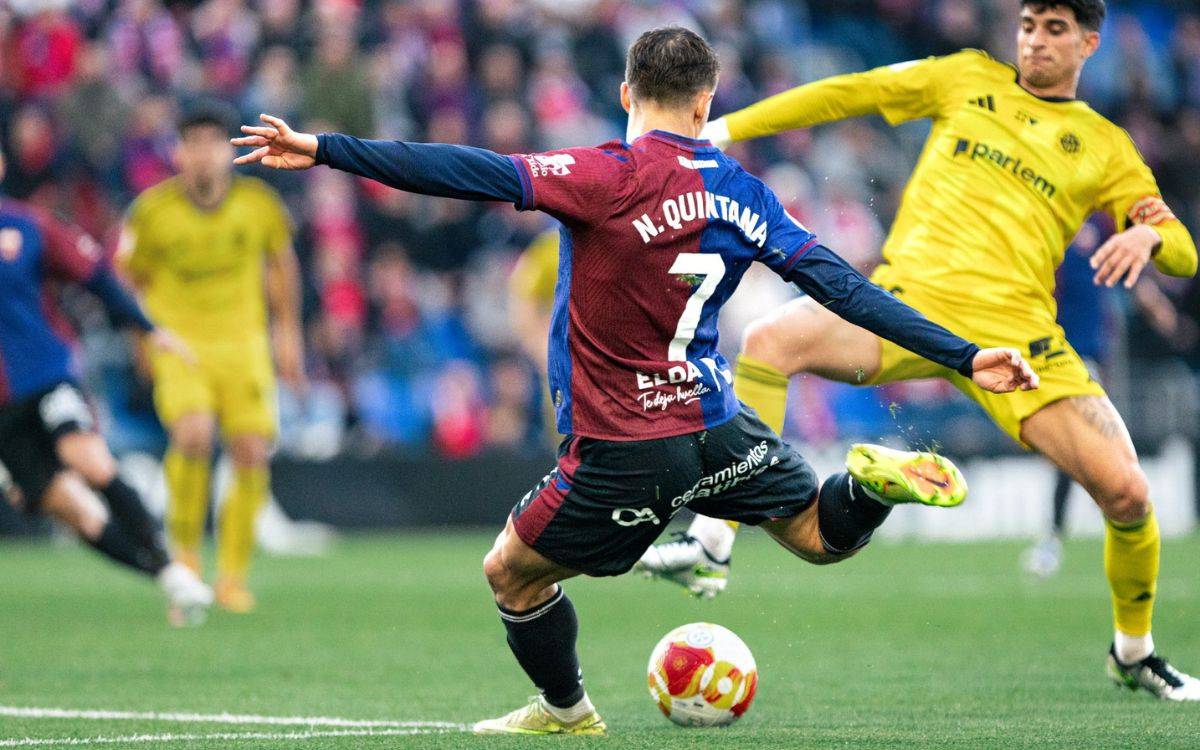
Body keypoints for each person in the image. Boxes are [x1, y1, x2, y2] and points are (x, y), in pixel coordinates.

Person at [232, 27, 1035, 735]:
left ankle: (565, 713)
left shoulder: (602, 174)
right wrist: (965, 355)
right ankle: (872, 487)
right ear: (706, 101)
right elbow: (845, 289)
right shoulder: (745, 194)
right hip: (719, 424)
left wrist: (325, 148)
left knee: (509, 574)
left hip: (626, 445)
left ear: (625, 92)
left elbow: (466, 169)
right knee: (818, 537)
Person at [640, 0, 1199, 700]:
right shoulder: (964, 77)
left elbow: (1183, 251)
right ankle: (715, 543)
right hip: (904, 310)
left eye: (1056, 30)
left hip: (1015, 344)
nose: (1036, 41)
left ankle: (1134, 653)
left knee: (1128, 494)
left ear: (1089, 42)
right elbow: (852, 92)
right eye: (1029, 25)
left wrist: (1149, 235)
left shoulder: (1105, 145)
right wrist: (723, 127)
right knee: (768, 341)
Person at [0, 151, 212, 625]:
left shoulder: (28, 226)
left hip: (45, 375)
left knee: (88, 459)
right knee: (75, 513)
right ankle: (162, 573)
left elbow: (95, 276)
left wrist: (148, 328)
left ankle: (171, 565)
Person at [118, 102, 306, 613]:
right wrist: (141, 341)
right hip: (181, 344)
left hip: (244, 344)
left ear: (228, 151)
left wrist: (289, 337)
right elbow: (126, 282)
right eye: (192, 143)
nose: (203, 156)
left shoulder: (259, 206)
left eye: (211, 143)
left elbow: (281, 270)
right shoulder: (152, 212)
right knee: (194, 434)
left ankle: (232, 576)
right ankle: (184, 560)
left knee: (249, 449)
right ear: (178, 152)